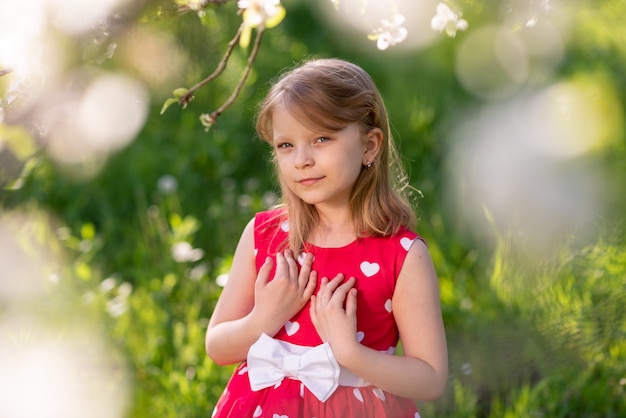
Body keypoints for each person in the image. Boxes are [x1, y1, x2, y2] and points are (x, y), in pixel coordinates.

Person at [205, 58, 448, 417]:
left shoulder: (402, 255)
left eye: (321, 138)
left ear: (369, 146)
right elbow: (217, 346)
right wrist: (263, 319)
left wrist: (350, 353)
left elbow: (430, 378)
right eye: (285, 145)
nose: (302, 160)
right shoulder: (265, 235)